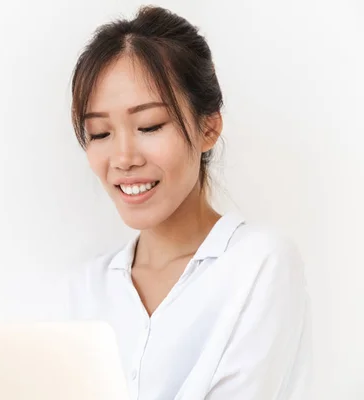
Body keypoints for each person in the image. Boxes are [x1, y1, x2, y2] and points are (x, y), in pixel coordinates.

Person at [67, 5, 312, 400]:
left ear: (208, 127)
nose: (124, 157)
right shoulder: (84, 290)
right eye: (99, 133)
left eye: (149, 126)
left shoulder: (259, 263)